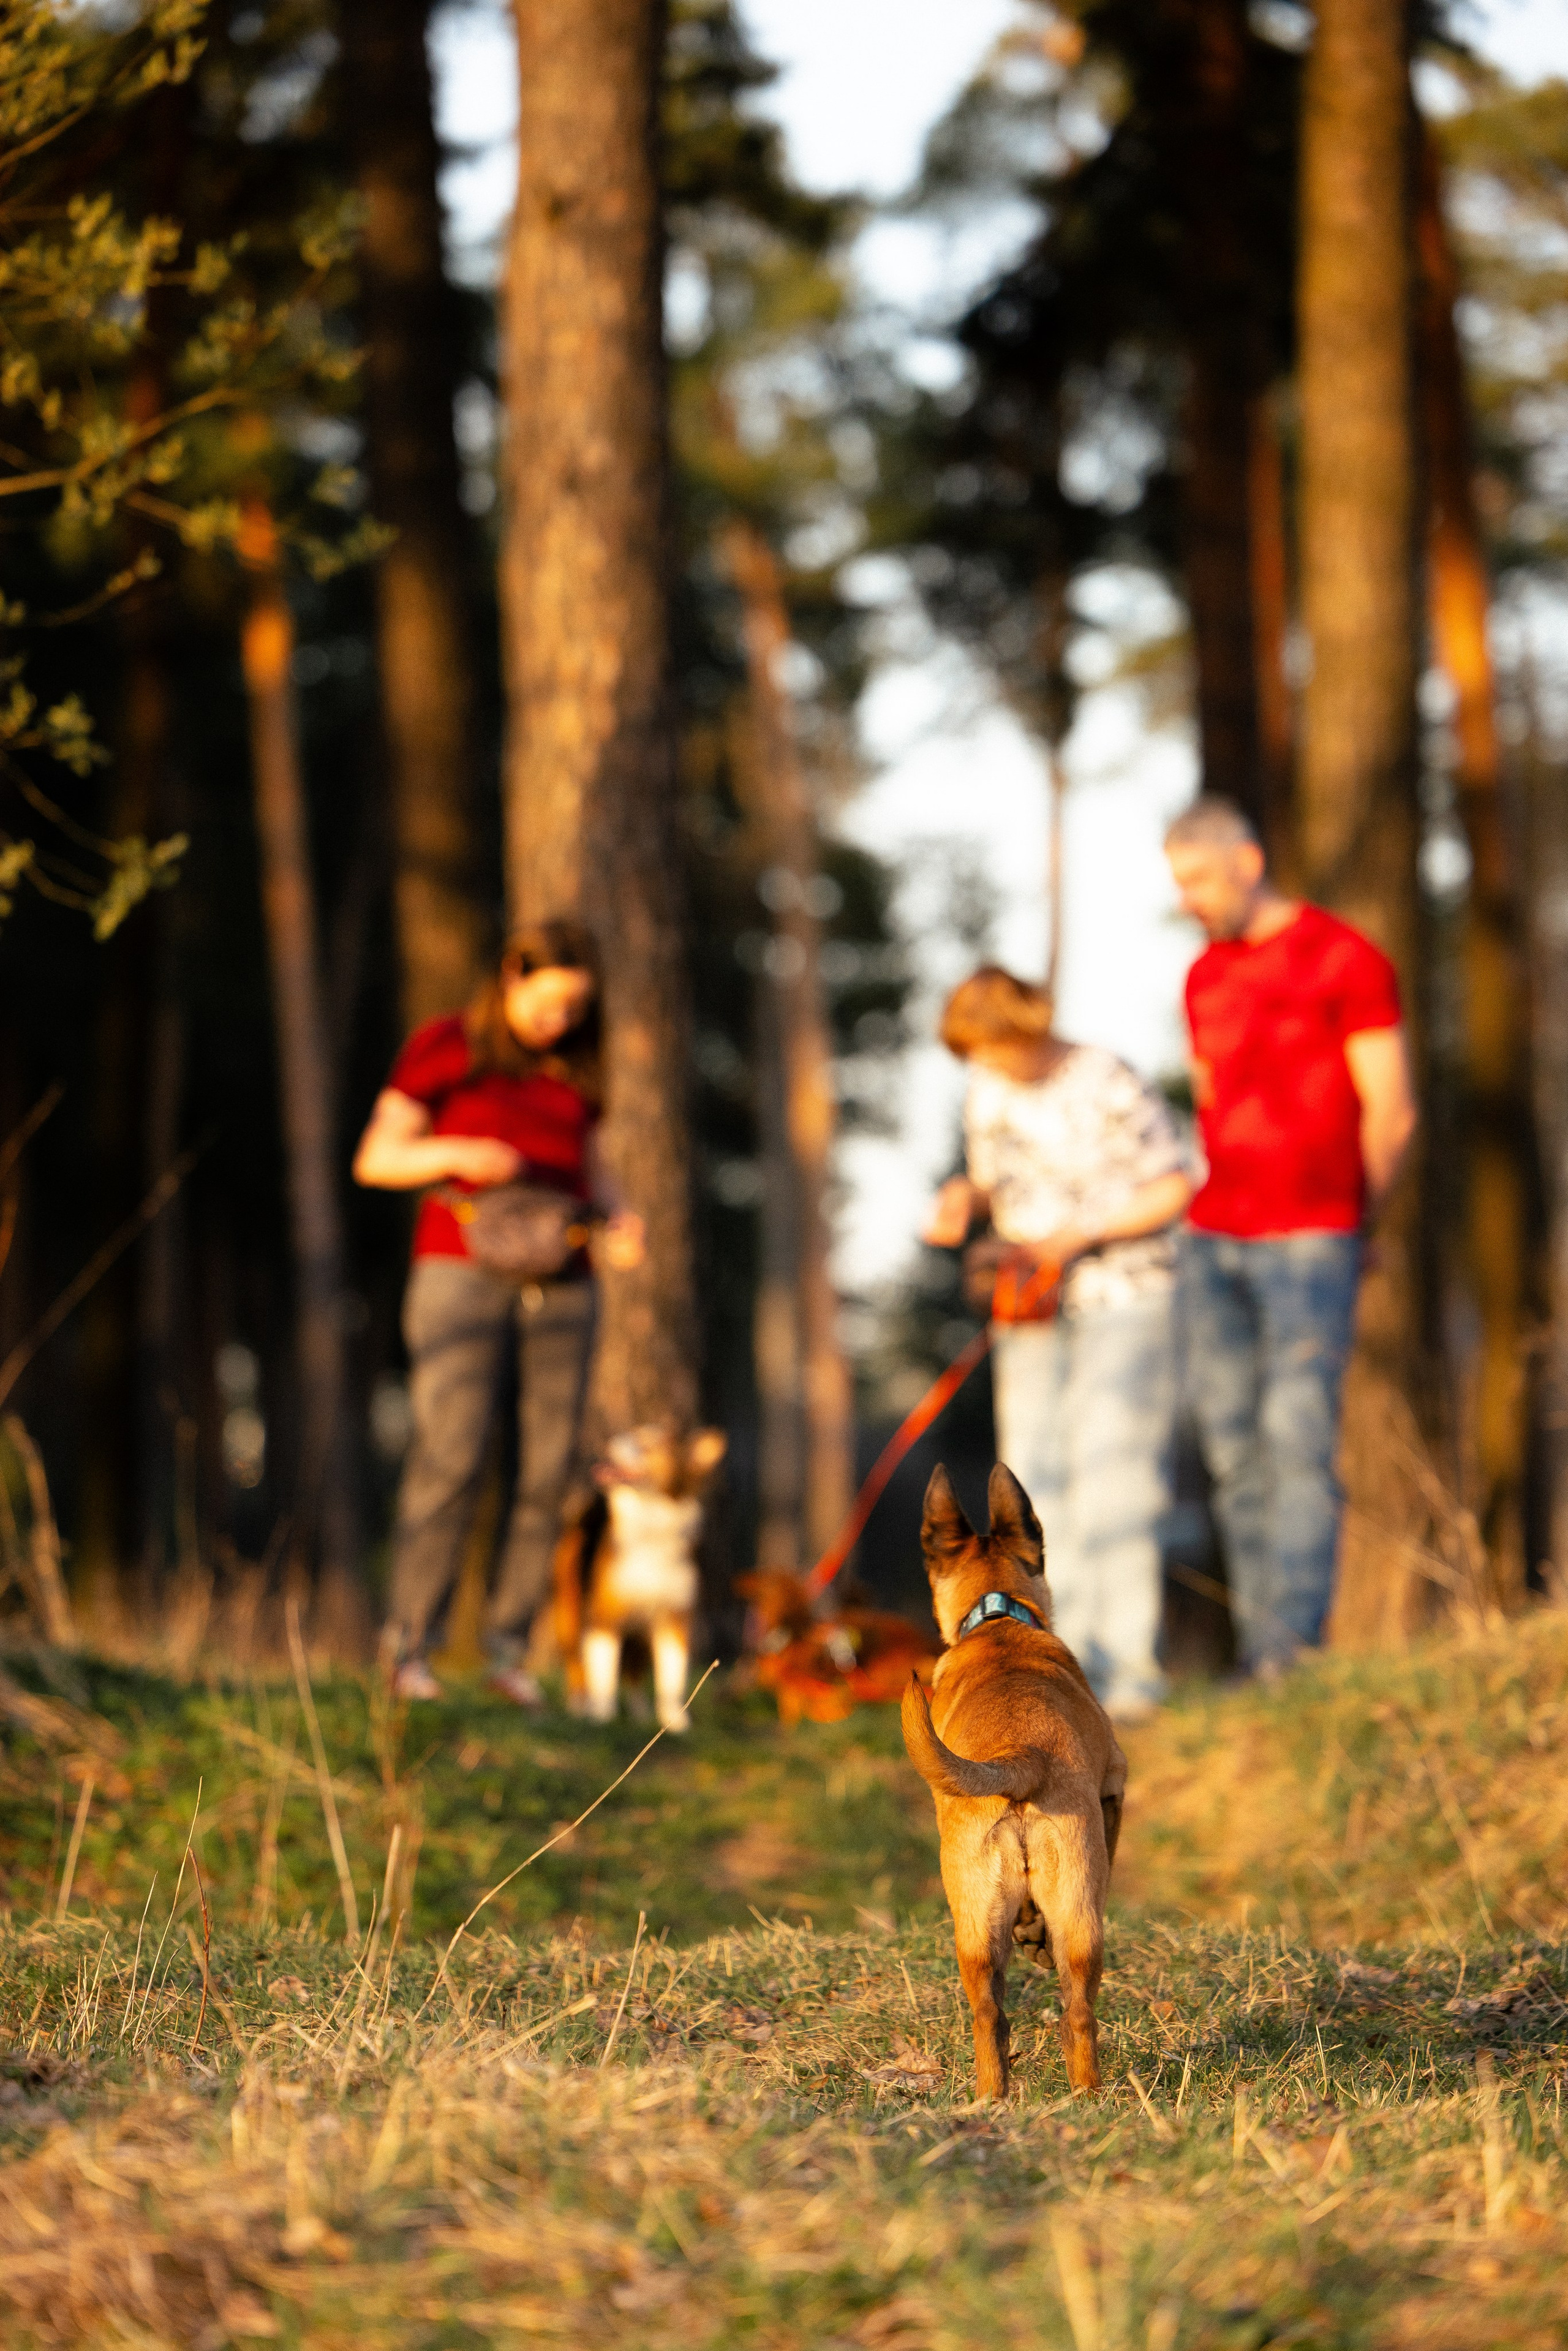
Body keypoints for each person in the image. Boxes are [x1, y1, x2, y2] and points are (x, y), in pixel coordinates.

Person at [353, 921, 643, 1703]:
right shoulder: (447, 1044)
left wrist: (621, 1220)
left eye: (577, 1006)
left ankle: (509, 1653)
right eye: (551, 1002)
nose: (563, 1019)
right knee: (451, 1454)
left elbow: (600, 1168)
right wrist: (454, 1154)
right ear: (512, 975)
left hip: (565, 1271)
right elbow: (375, 1159)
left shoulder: (580, 1066)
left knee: (550, 1466)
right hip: (460, 1267)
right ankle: (409, 1647)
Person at [1163, 795, 1419, 1678]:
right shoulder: (1202, 976)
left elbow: (1391, 1107)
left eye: (1197, 878)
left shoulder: (1345, 958)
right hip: (1214, 1237)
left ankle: (1289, 1651)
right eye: (1178, 883)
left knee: (1298, 1438)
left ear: (1247, 858)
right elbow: (1207, 1102)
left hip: (1313, 1233)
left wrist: (1361, 1221)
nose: (1189, 897)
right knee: (1233, 1450)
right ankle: (1257, 1647)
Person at [922, 966, 1193, 1718]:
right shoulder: (988, 1088)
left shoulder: (1105, 1078)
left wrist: (1079, 1235)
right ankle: (1054, 1661)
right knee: (1029, 1485)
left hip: (1124, 1296)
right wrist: (962, 1199)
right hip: (1027, 1304)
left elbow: (1173, 1185)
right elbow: (990, 1179)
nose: (983, 1063)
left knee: (1118, 1478)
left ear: (1026, 1027)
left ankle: (1129, 1675)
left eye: (991, 1047)